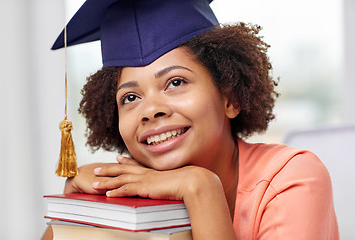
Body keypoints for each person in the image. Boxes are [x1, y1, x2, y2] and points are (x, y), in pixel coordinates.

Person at [44, 0, 339, 239]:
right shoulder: (129, 198)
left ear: (230, 97)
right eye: (130, 98)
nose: (150, 110)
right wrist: (80, 209)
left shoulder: (293, 177)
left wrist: (200, 189)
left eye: (175, 82)